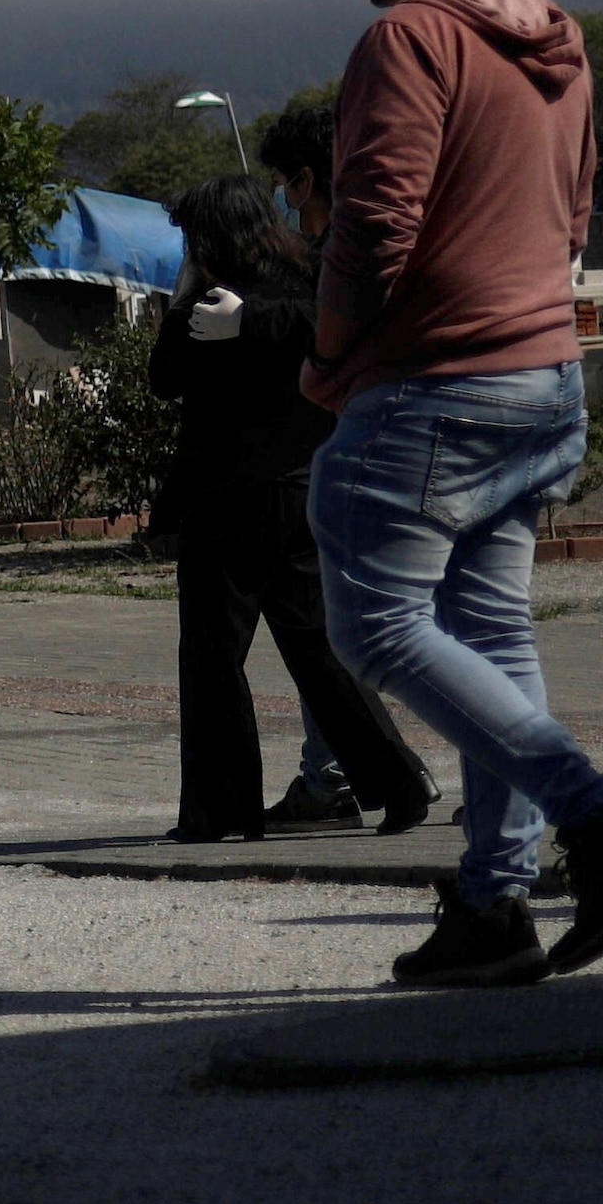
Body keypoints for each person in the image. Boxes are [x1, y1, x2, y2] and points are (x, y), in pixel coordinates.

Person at [303, 0, 603, 984]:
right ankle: (490, 902)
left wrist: (326, 353)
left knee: (373, 627)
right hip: (542, 378)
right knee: (488, 633)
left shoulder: (408, 38)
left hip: (434, 383)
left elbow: (371, 228)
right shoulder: (559, 42)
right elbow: (570, 212)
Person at [150, 173, 429, 844]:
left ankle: (221, 809)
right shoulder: (308, 287)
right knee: (318, 651)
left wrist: (192, 294)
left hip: (228, 499)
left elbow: (164, 379)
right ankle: (396, 781)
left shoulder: (213, 304)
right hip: (304, 490)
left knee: (215, 656)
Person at [249, 96, 368, 828]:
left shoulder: (339, 255)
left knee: (345, 627)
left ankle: (334, 775)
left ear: (302, 181)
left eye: (285, 185)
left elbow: (323, 355)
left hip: (361, 453)